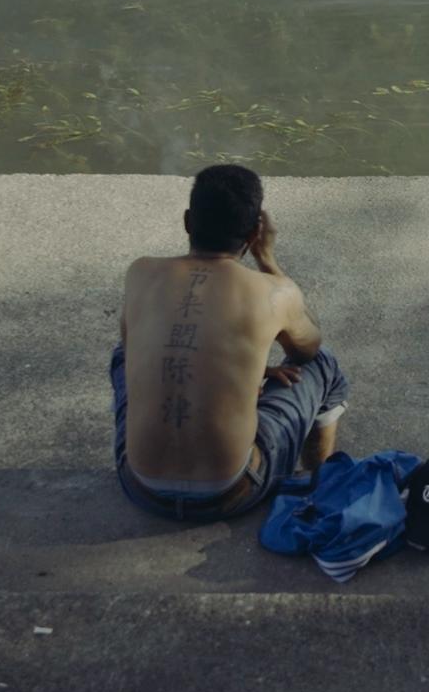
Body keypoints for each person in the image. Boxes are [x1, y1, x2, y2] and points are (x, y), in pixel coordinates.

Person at [110, 164, 350, 522]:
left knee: (123, 355)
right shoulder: (273, 292)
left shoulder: (141, 272)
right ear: (255, 232)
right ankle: (321, 484)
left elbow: (139, 353)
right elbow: (308, 349)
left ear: (188, 221)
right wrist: (267, 259)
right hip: (232, 491)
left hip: (140, 485)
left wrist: (239, 370)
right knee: (323, 365)